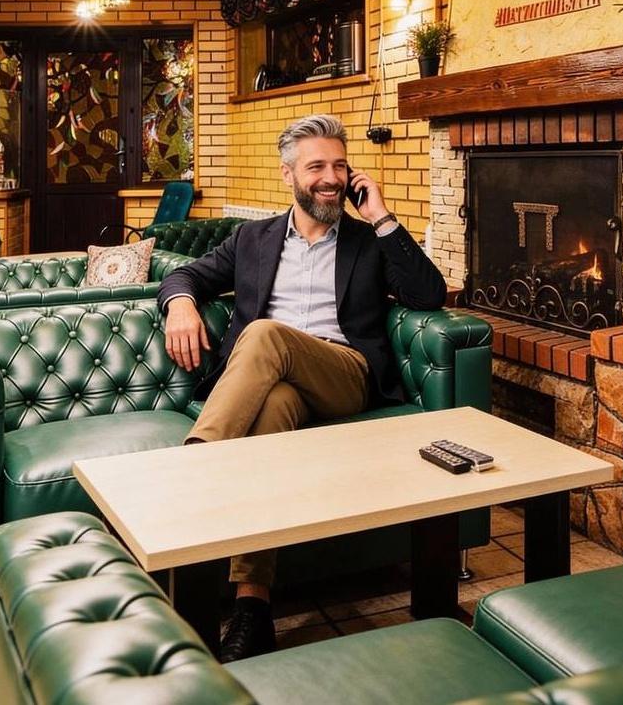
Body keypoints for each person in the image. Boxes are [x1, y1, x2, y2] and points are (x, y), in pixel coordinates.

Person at [158, 114, 446, 662]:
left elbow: (428, 295)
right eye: (316, 167)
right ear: (288, 173)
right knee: (272, 410)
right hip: (280, 383)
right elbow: (185, 275)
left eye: (340, 166)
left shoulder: (367, 240)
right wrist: (180, 304)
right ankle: (253, 607)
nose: (331, 178)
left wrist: (381, 215)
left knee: (266, 333)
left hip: (345, 373)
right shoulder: (253, 238)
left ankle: (191, 472)